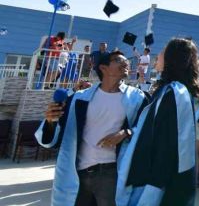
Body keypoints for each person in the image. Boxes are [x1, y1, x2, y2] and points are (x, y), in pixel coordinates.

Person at [35, 51, 148, 206]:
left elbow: (147, 128)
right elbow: (54, 137)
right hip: (77, 173)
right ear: (103, 68)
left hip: (112, 173)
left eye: (126, 61)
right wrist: (50, 121)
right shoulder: (79, 98)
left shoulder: (136, 98)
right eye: (118, 60)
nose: (125, 63)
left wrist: (126, 132)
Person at [121, 38, 199, 205]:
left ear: (173, 57)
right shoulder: (168, 90)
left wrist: (153, 187)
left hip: (160, 183)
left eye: (164, 51)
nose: (158, 55)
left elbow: (169, 145)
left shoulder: (176, 93)